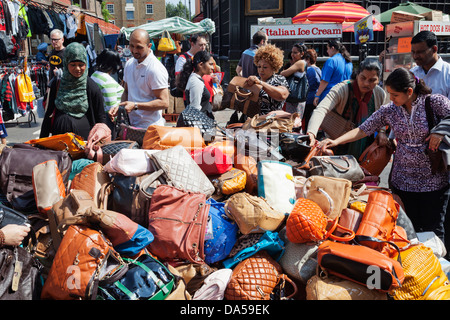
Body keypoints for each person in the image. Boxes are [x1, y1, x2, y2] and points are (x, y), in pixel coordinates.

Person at [320, 67, 450, 248]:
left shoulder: (434, 102)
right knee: (406, 233)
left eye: (394, 94)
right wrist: (335, 141)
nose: (391, 98)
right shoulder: (390, 110)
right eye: (389, 93)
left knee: (434, 232)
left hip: (433, 183)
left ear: (409, 92)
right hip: (403, 183)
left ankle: (438, 270)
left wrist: (439, 132)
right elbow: (363, 129)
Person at [307, 58, 388, 158]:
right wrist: (311, 133)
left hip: (365, 148)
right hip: (336, 144)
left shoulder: (380, 94)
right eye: (363, 78)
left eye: (372, 80)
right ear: (357, 74)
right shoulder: (342, 89)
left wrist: (382, 131)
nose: (366, 83)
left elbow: (382, 117)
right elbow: (321, 109)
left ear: (378, 80)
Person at [40, 42, 106, 140]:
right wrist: (41, 141)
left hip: (84, 142)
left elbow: (100, 116)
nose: (77, 69)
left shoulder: (91, 86)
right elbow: (49, 113)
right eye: (73, 64)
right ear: (66, 63)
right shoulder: (58, 83)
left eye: (81, 64)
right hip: (59, 141)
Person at [109, 28, 169, 129]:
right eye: (132, 46)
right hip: (131, 126)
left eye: (139, 47)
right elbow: (127, 91)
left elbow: (164, 102)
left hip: (151, 128)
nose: (134, 50)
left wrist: (136, 105)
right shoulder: (129, 64)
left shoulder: (155, 69)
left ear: (149, 46)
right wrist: (120, 108)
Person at [244, 43, 290, 115]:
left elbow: (283, 95)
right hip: (251, 122)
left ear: (273, 67)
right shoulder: (255, 80)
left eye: (265, 67)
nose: (261, 70)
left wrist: (261, 83)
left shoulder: (279, 79)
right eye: (259, 67)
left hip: (269, 122)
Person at [91, 48, 124, 132]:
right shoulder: (107, 81)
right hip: (109, 121)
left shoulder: (94, 75)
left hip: (98, 116)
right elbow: (111, 106)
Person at [410, 30, 450, 99]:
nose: (415, 56)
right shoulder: (412, 73)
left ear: (434, 49)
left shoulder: (448, 74)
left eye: (420, 52)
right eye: (413, 52)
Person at [177, 50, 215, 119]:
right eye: (210, 64)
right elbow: (195, 111)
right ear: (200, 65)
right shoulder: (196, 82)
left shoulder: (196, 79)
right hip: (201, 125)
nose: (212, 68)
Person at [313, 40, 353, 106]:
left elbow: (324, 81)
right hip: (345, 95)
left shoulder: (331, 61)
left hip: (330, 96)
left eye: (327, 48)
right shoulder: (349, 61)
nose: (327, 51)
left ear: (332, 48)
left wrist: (317, 95)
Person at [280, 43, 307, 115]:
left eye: (295, 53)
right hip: (294, 99)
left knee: (294, 122)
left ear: (302, 54)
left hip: (296, 100)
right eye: (292, 52)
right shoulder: (299, 63)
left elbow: (283, 73)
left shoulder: (301, 63)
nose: (292, 54)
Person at [302, 49, 322, 131]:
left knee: (306, 121)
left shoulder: (309, 70)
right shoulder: (319, 70)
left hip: (308, 99)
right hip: (316, 97)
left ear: (308, 59)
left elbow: (305, 85)